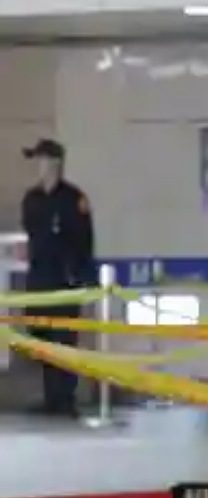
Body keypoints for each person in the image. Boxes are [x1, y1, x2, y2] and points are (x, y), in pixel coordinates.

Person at [21, 139, 95, 418]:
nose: (38, 167)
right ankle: (51, 397)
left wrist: (82, 278)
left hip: (64, 282)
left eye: (41, 160)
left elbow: (85, 243)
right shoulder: (32, 199)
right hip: (39, 281)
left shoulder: (74, 200)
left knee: (64, 340)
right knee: (41, 339)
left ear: (55, 163)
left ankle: (65, 399)